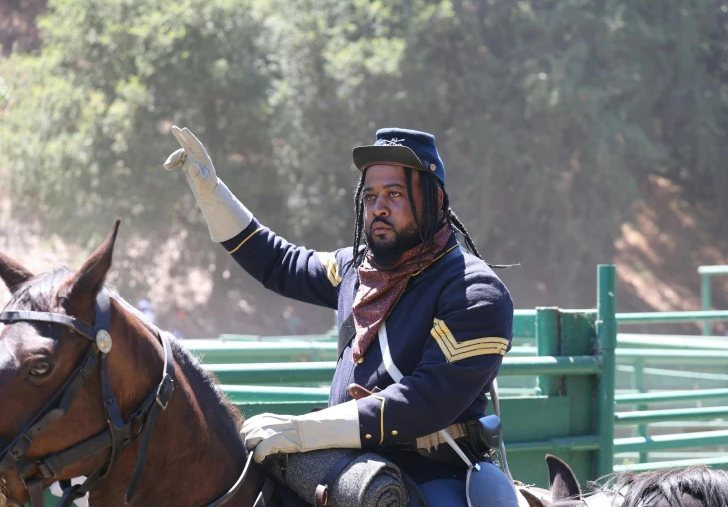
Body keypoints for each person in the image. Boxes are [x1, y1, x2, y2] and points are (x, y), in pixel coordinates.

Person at [163, 126, 515, 506]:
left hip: (433, 474)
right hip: (345, 465)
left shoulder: (476, 292)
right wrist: (213, 195)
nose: (378, 207)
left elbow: (425, 403)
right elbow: (280, 263)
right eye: (370, 196)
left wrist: (304, 431)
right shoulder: (354, 268)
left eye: (394, 194)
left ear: (434, 199)